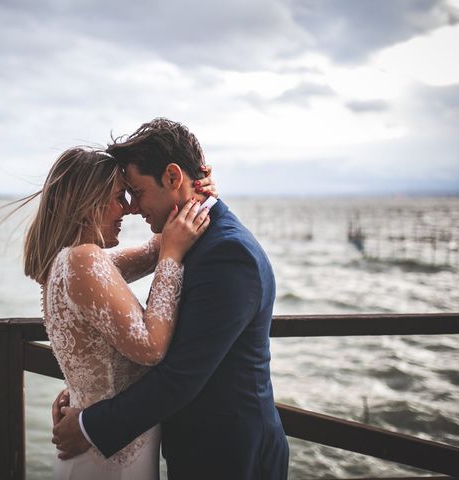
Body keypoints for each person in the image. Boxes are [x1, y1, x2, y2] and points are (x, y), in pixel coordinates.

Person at [52, 119, 289, 479]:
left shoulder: (227, 253)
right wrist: (87, 385)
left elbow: (181, 375)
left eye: (137, 191)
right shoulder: (190, 240)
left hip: (230, 457)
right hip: (196, 450)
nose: (132, 207)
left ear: (173, 177)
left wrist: (90, 425)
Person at [22, 146, 214, 479]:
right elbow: (151, 348)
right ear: (87, 204)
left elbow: (159, 246)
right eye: (118, 198)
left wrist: (194, 194)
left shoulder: (65, 261)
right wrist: (172, 258)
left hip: (97, 446)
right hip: (109, 459)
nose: (127, 209)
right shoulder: (83, 260)